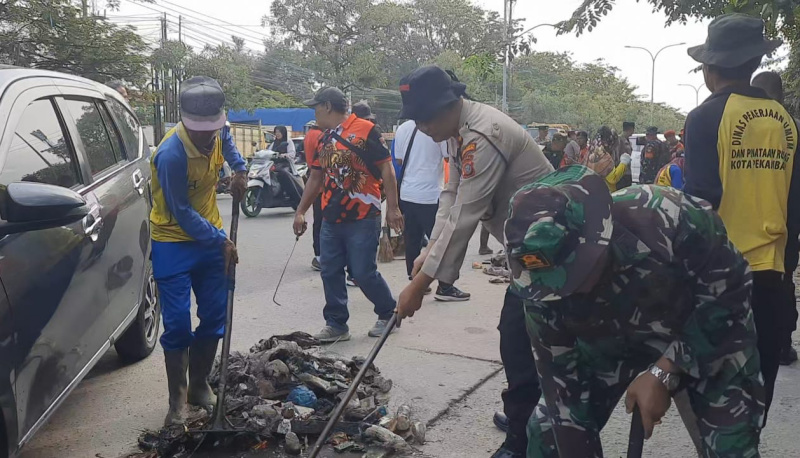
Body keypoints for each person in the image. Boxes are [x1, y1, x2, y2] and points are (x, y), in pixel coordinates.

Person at [506, 165, 764, 457]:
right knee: (547, 435)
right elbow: (564, 396)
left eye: (577, 272)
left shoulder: (669, 215)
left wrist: (665, 371)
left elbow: (730, 297)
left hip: (705, 332)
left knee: (732, 448)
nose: (570, 290)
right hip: (607, 346)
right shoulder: (540, 290)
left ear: (597, 236)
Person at [394, 65, 554, 458]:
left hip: (552, 251)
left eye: (426, 118)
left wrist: (420, 286)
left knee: (520, 337)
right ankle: (532, 416)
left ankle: (523, 438)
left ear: (449, 105)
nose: (424, 127)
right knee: (523, 336)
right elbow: (450, 195)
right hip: (525, 247)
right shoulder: (457, 131)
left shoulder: (483, 135)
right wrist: (427, 251)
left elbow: (466, 215)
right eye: (417, 119)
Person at [684, 13, 800, 423]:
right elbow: (794, 204)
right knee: (758, 383)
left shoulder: (704, 119)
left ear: (710, 69)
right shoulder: (788, 123)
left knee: (711, 381)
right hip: (773, 275)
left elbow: (698, 205)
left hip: (720, 275)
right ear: (753, 64)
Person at [149, 76, 248, 426]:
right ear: (184, 119)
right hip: (173, 240)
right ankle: (177, 400)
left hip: (210, 239)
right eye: (199, 129)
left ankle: (199, 384)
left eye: (213, 128)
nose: (208, 135)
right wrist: (219, 239)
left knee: (215, 315)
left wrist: (239, 169)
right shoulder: (170, 154)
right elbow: (181, 212)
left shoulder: (218, 131)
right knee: (176, 324)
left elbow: (228, 144)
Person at [292, 87, 403, 342]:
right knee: (329, 270)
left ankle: (388, 312)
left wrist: (393, 208)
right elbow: (316, 177)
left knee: (362, 272)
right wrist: (301, 212)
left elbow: (387, 170)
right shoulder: (322, 137)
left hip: (363, 215)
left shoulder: (366, 130)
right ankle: (336, 324)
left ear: (328, 106)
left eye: (316, 107)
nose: (314, 112)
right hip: (331, 218)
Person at [752, 70, 800, 366]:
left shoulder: (743, 128)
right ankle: (782, 344)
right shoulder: (794, 128)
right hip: (786, 226)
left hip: (746, 224)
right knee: (783, 284)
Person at [394, 119, 470, 301]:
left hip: (406, 193)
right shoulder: (437, 127)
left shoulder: (403, 128)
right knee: (442, 242)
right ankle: (445, 286)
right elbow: (448, 156)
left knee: (412, 239)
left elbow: (398, 159)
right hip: (429, 194)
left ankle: (415, 280)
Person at [586, 126, 630, 191]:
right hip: (605, 193)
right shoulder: (602, 155)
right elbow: (613, 178)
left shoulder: (590, 152)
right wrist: (624, 162)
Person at [613, 121, 635, 188]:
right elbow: (616, 156)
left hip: (627, 171)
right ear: (630, 129)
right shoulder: (619, 140)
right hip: (621, 172)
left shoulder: (628, 141)